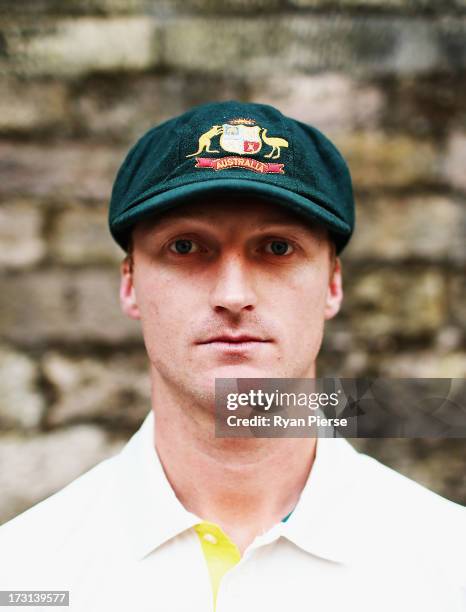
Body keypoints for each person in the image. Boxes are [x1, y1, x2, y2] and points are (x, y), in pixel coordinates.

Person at [0, 101, 464, 612]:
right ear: (130, 284)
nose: (233, 293)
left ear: (332, 284)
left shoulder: (447, 566)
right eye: (184, 246)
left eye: (277, 248)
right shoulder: (25, 574)